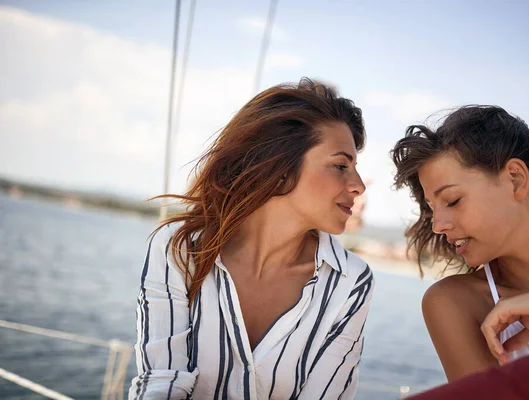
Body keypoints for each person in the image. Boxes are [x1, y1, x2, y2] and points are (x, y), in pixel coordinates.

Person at [129, 78, 374, 399]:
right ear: (280, 166)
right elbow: (161, 384)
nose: (357, 184)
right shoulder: (178, 248)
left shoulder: (351, 283)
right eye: (341, 165)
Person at [390, 105, 529, 381]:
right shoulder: (457, 303)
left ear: (515, 179)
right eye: (432, 208)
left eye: (452, 201)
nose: (438, 225)